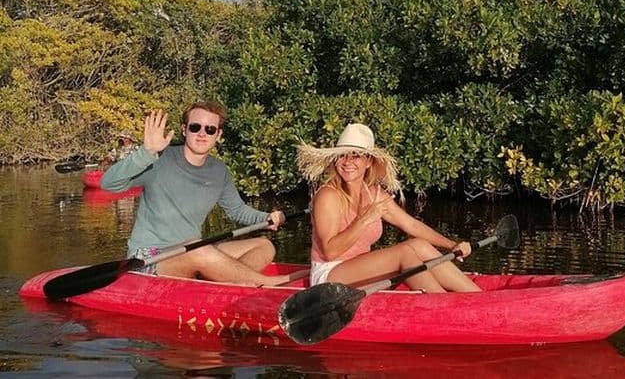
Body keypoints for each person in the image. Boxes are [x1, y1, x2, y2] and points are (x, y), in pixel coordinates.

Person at [101, 100, 306, 286]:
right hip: (149, 258)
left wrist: (267, 217)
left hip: (193, 251)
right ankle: (267, 284)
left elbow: (237, 210)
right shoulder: (158, 160)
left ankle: (227, 285)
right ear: (184, 129)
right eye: (195, 127)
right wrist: (146, 153)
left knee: (265, 246)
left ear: (218, 135)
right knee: (198, 248)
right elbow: (108, 184)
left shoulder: (219, 171)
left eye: (209, 129)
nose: (202, 134)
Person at [296, 123, 481, 293]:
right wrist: (364, 219)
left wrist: (452, 245)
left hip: (360, 272)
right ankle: (447, 306)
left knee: (418, 245)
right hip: (329, 277)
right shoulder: (328, 195)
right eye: (342, 155)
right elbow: (330, 252)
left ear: (368, 162)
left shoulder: (375, 194)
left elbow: (411, 226)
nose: (347, 162)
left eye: (356, 156)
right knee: (405, 253)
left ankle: (476, 297)